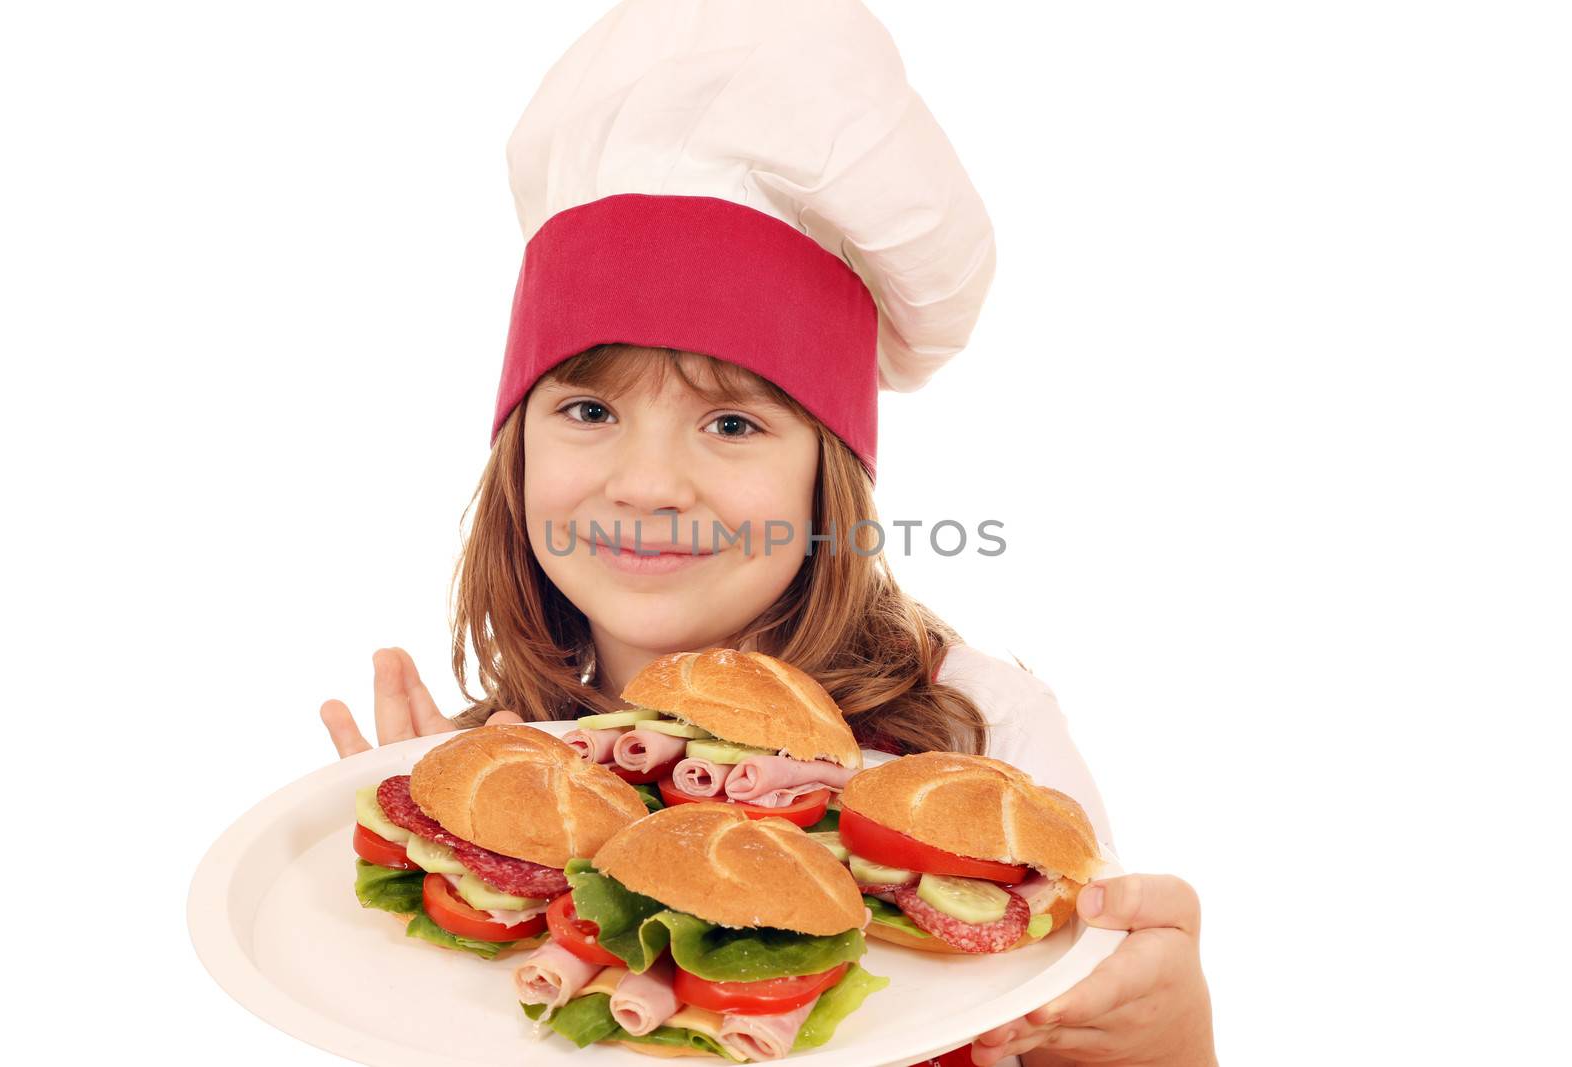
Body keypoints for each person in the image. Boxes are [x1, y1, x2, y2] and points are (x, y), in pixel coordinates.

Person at [320, 2, 1216, 1064]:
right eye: (589, 409)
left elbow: (1074, 1018)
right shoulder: (489, 761)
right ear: (515, 445)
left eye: (732, 421)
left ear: (827, 474)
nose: (648, 483)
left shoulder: (981, 737)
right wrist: (438, 897)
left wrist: (1161, 1030)